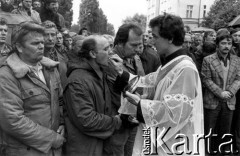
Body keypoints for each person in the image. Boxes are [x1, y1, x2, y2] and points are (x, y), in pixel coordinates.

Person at [110, 14, 204, 155]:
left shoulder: (185, 68)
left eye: (155, 37)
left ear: (170, 38)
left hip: (175, 143)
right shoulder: (171, 64)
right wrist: (121, 72)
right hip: (161, 140)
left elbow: (175, 113)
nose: (151, 42)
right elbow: (149, 82)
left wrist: (141, 104)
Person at [0, 21, 65, 156]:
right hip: (23, 150)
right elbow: (12, 120)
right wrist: (51, 138)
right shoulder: (6, 75)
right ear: (19, 47)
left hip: (53, 149)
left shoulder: (51, 68)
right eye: (35, 43)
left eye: (42, 42)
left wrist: (63, 123)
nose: (41, 46)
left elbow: (61, 101)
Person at [63, 35, 132, 155]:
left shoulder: (99, 72)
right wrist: (117, 121)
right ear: (93, 54)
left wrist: (121, 74)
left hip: (99, 145)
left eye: (110, 47)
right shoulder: (78, 81)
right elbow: (86, 119)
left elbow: (115, 99)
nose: (111, 52)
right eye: (106, 49)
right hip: (85, 149)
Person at [201, 30, 240, 155]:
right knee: (209, 131)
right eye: (223, 43)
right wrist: (220, 93)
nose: (226, 46)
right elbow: (206, 79)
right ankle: (206, 152)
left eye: (229, 43)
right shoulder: (208, 60)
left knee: (225, 132)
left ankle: (221, 153)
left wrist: (229, 92)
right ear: (217, 45)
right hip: (212, 101)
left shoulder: (236, 60)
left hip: (229, 101)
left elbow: (238, 78)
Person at [42, 20, 68, 88]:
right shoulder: (35, 59)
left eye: (53, 35)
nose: (50, 39)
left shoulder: (62, 56)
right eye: (46, 35)